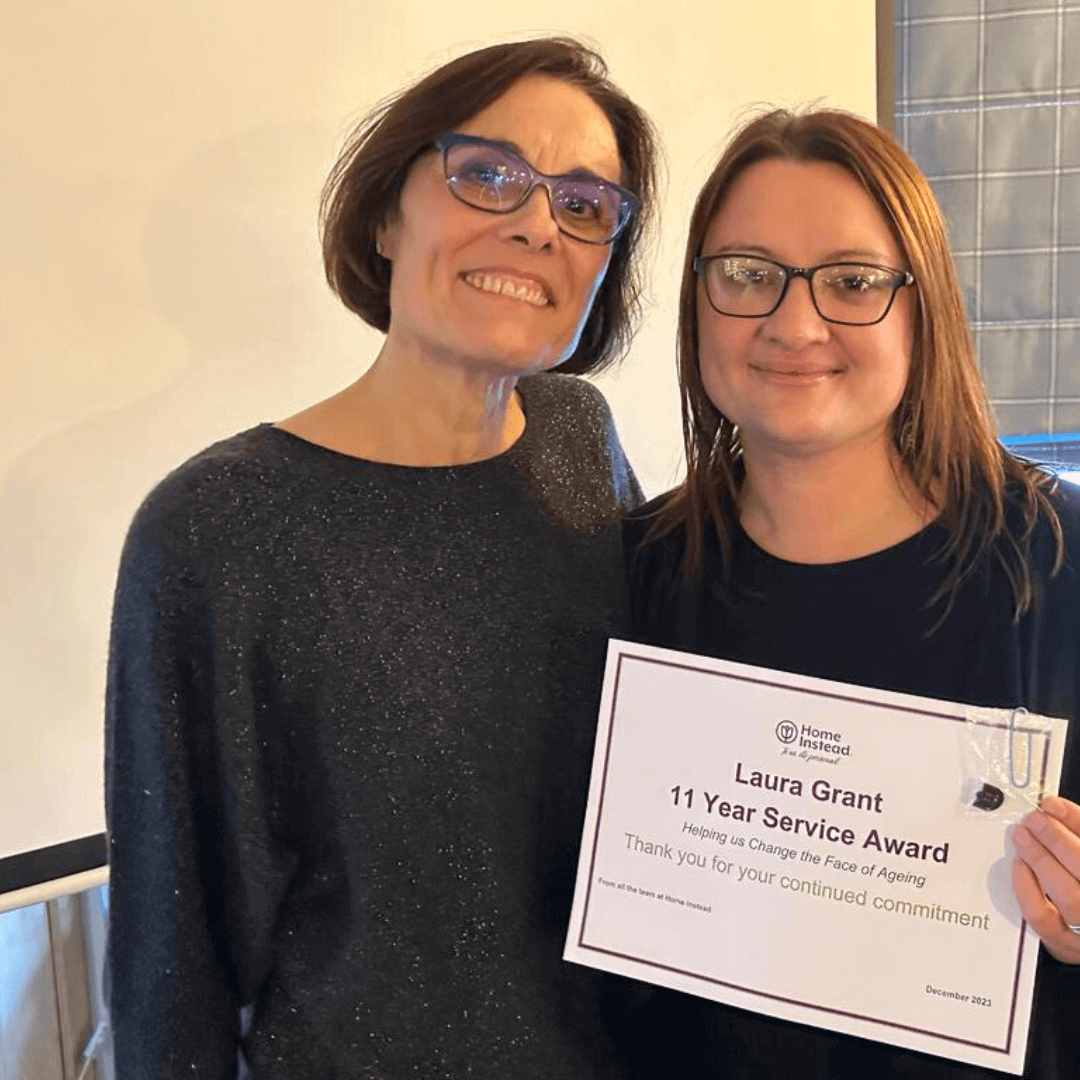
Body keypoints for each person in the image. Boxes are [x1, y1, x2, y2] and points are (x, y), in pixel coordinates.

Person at [105, 37, 658, 1078]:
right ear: (383, 217)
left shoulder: (583, 448)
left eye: (586, 204)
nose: (539, 222)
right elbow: (169, 964)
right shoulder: (213, 527)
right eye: (487, 174)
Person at [625, 108, 1079, 1079]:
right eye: (747, 274)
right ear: (698, 303)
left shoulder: (1057, 558)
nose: (795, 324)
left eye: (853, 281)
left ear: (922, 308)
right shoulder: (629, 575)